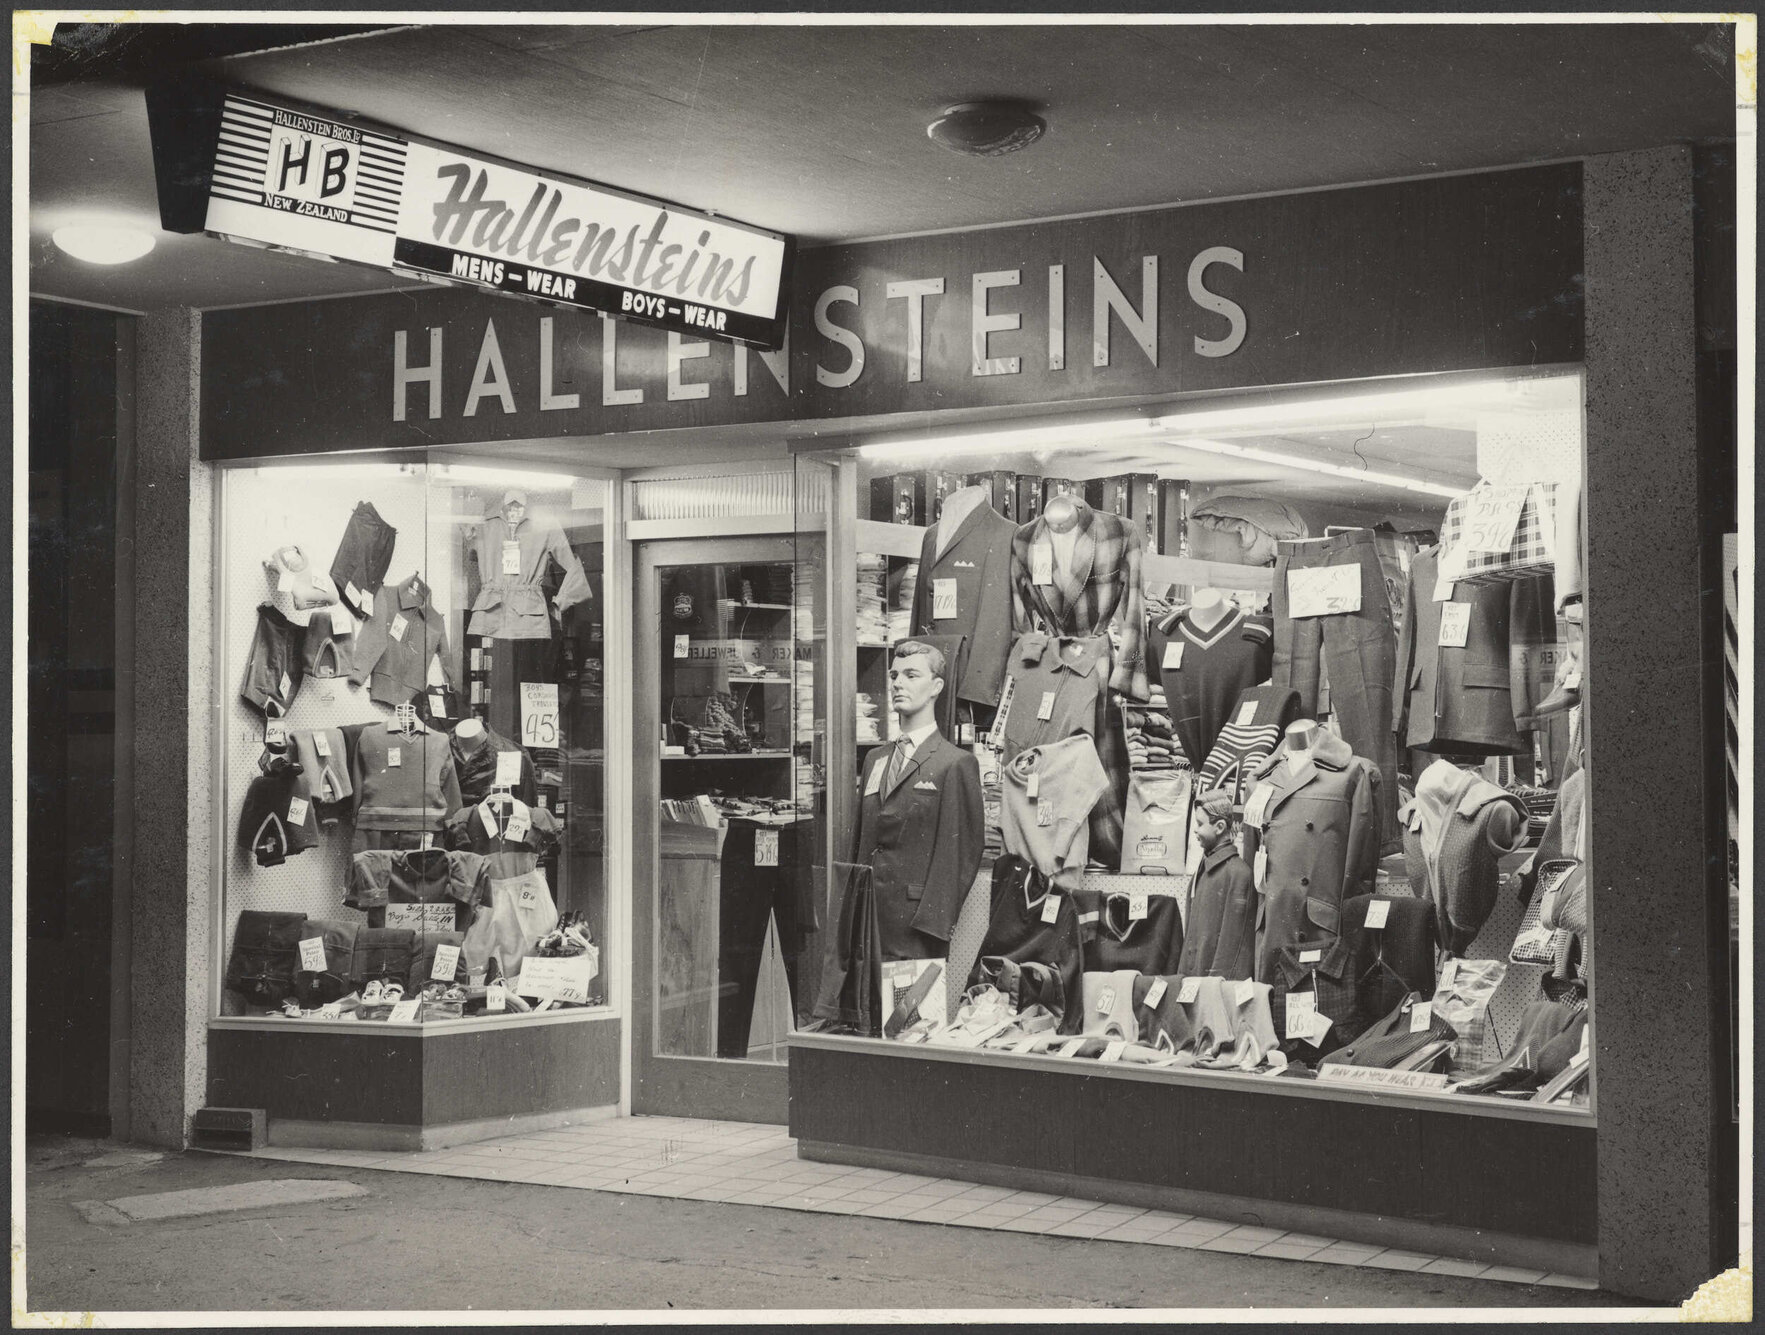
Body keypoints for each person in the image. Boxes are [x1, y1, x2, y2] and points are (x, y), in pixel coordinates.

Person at [851, 641, 984, 960]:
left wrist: (932, 929)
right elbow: (861, 839)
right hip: (868, 922)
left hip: (916, 930)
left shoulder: (955, 764)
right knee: (868, 1008)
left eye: (911, 675)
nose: (898, 683)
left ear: (936, 686)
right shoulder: (875, 759)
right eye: (894, 675)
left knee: (911, 1011)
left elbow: (960, 854)